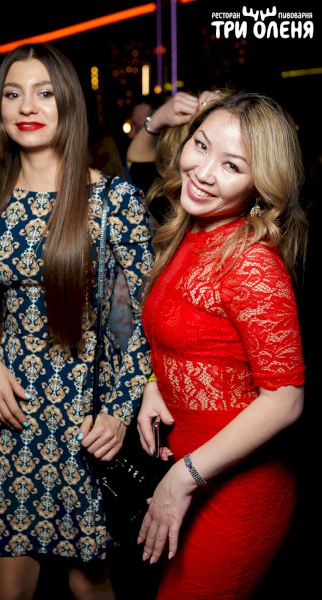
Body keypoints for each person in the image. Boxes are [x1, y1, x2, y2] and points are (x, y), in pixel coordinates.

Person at [0, 43, 153, 600]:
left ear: (68, 102)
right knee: (8, 588)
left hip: (80, 418)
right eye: (13, 93)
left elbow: (141, 319)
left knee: (88, 585)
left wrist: (117, 412)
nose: (26, 106)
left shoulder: (112, 200)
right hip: (6, 412)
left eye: (43, 93)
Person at [136, 91, 308, 599]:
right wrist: (156, 383)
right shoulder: (188, 229)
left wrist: (183, 477)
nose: (204, 172)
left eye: (232, 165)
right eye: (201, 145)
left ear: (259, 184)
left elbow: (286, 398)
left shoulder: (251, 264)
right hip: (185, 471)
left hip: (235, 493)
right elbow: (187, 340)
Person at [127, 89, 226, 229]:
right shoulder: (170, 202)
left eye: (231, 165)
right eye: (200, 145)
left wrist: (156, 120)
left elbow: (136, 161)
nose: (203, 175)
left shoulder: (169, 206)